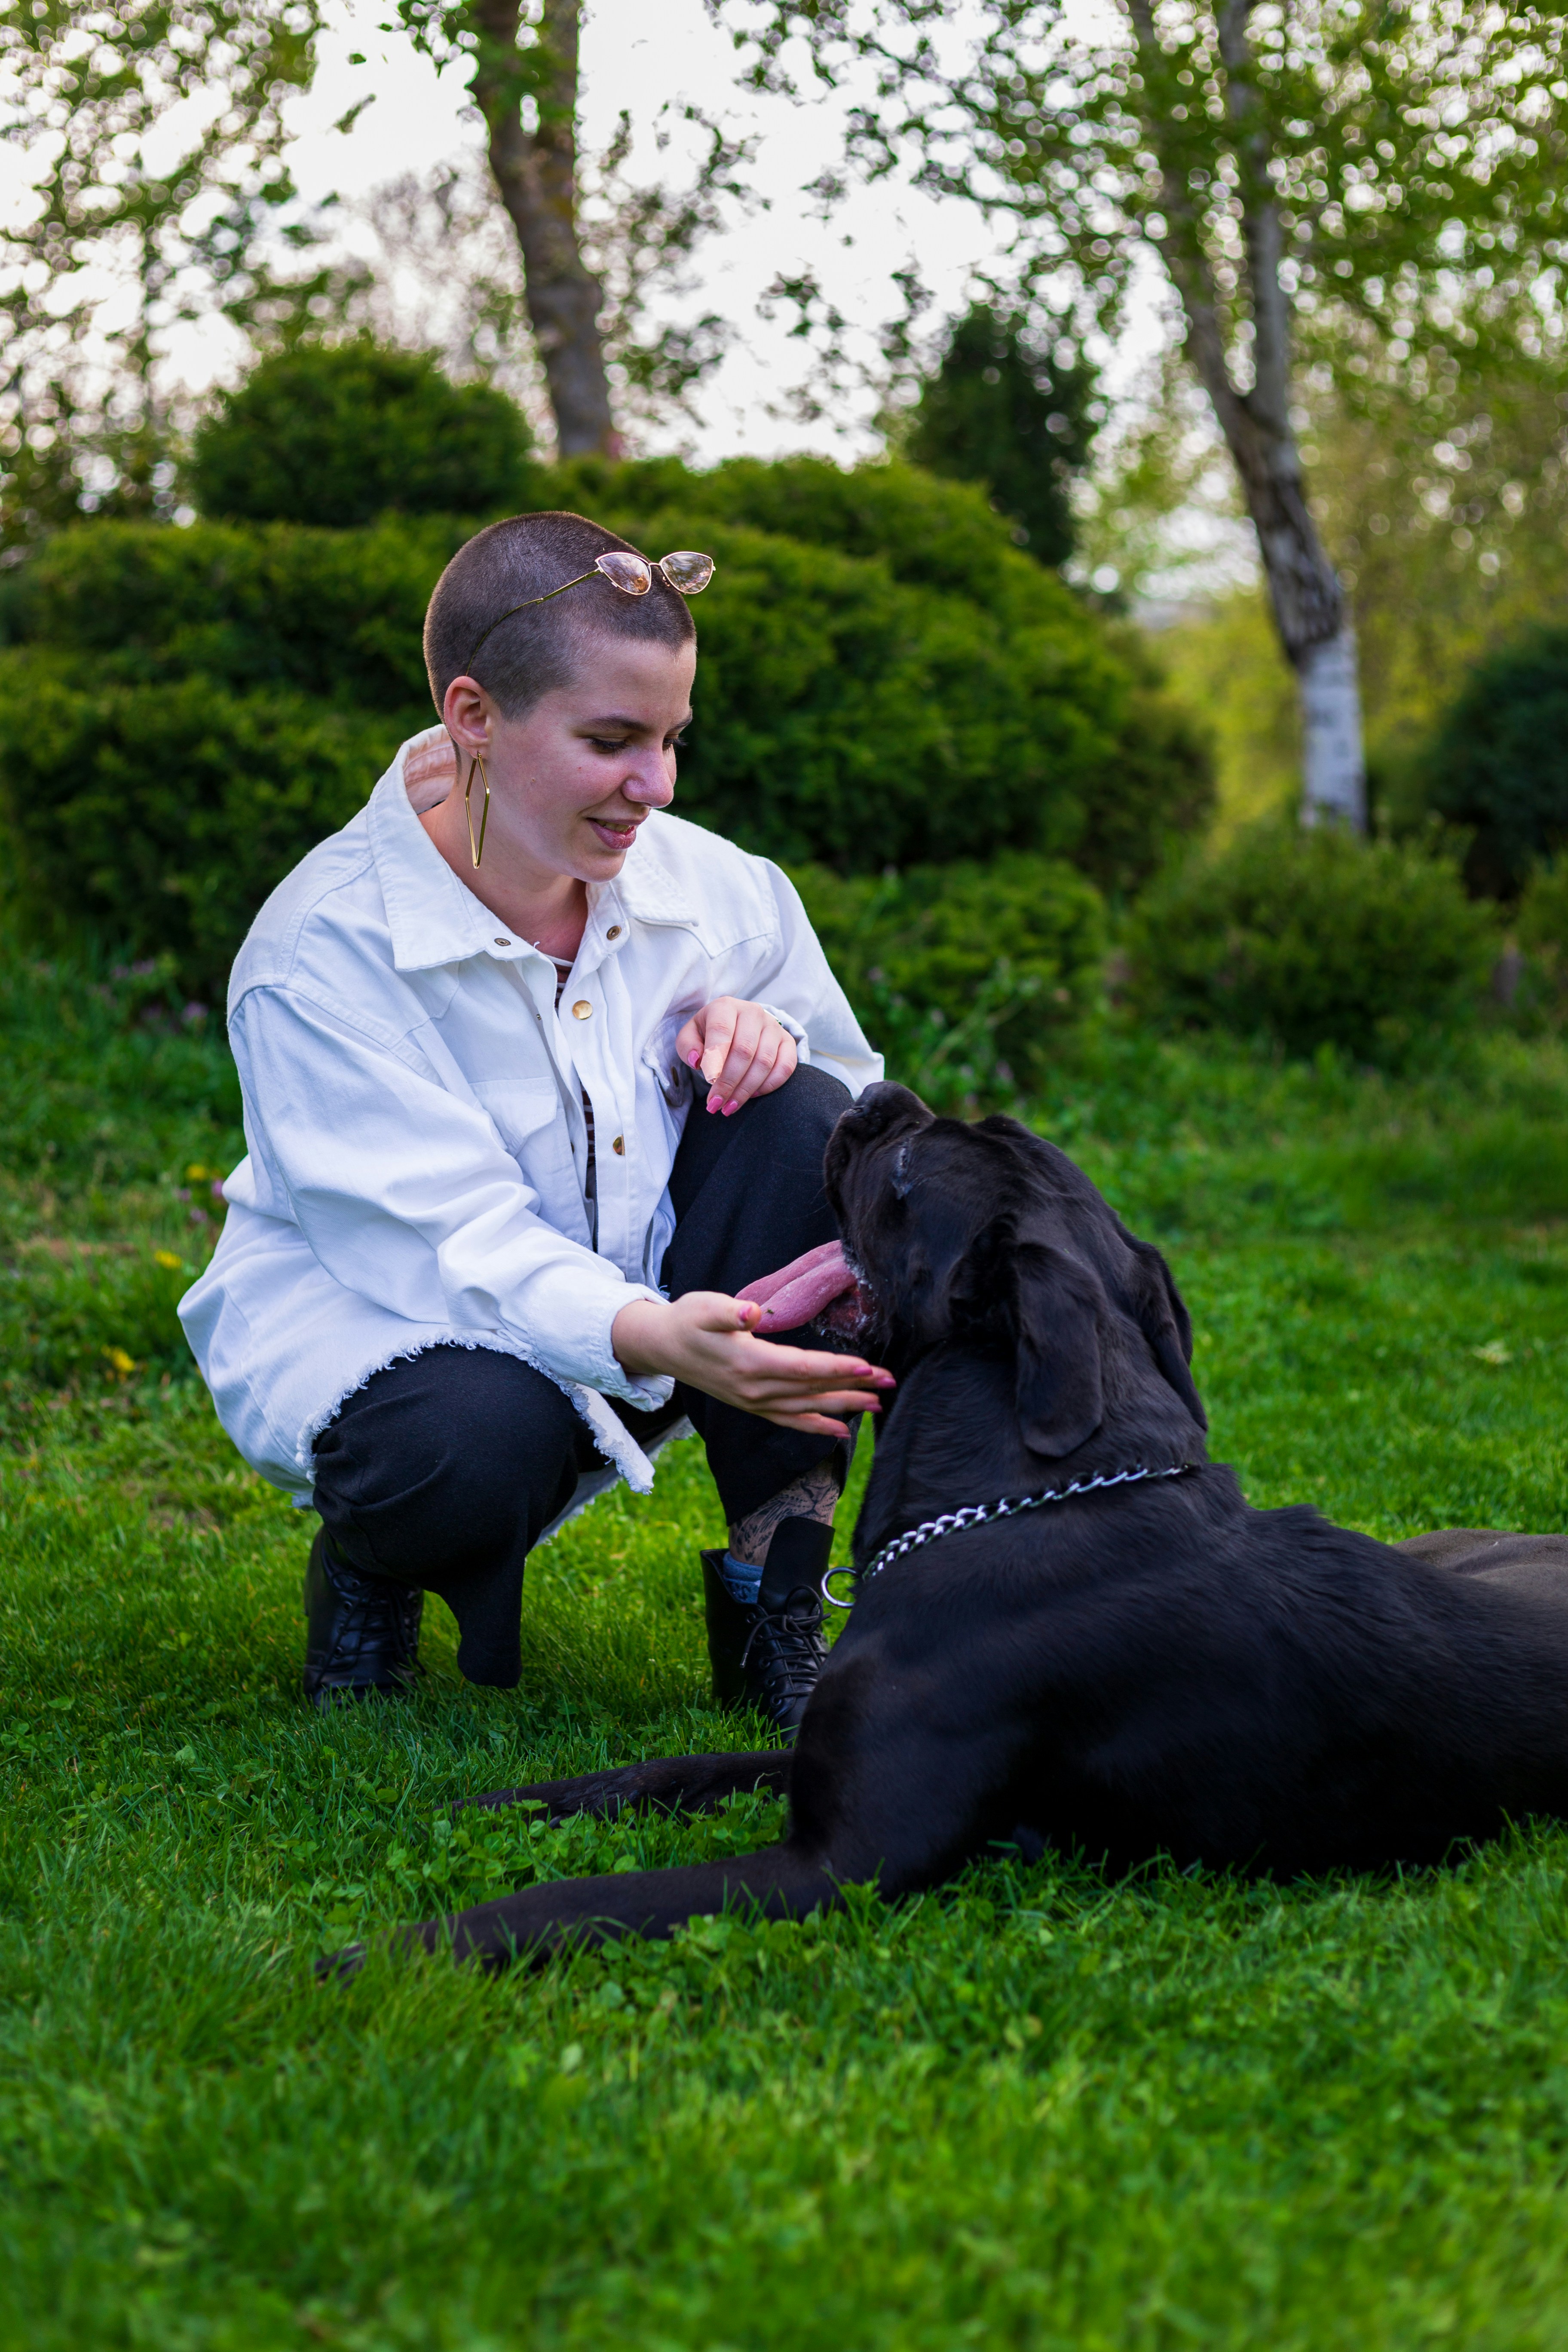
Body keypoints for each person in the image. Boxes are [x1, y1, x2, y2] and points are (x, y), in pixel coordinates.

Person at [179, 509, 893, 1732]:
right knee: (471, 1441)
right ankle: (375, 1565)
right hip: (407, 1329)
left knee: (810, 1119)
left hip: (658, 1297)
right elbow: (450, 1241)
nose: (655, 789)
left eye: (671, 739)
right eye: (612, 741)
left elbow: (853, 1092)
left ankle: (773, 1594)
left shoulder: (717, 886)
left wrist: (770, 1038)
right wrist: (660, 1336)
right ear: (475, 719)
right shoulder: (320, 954)